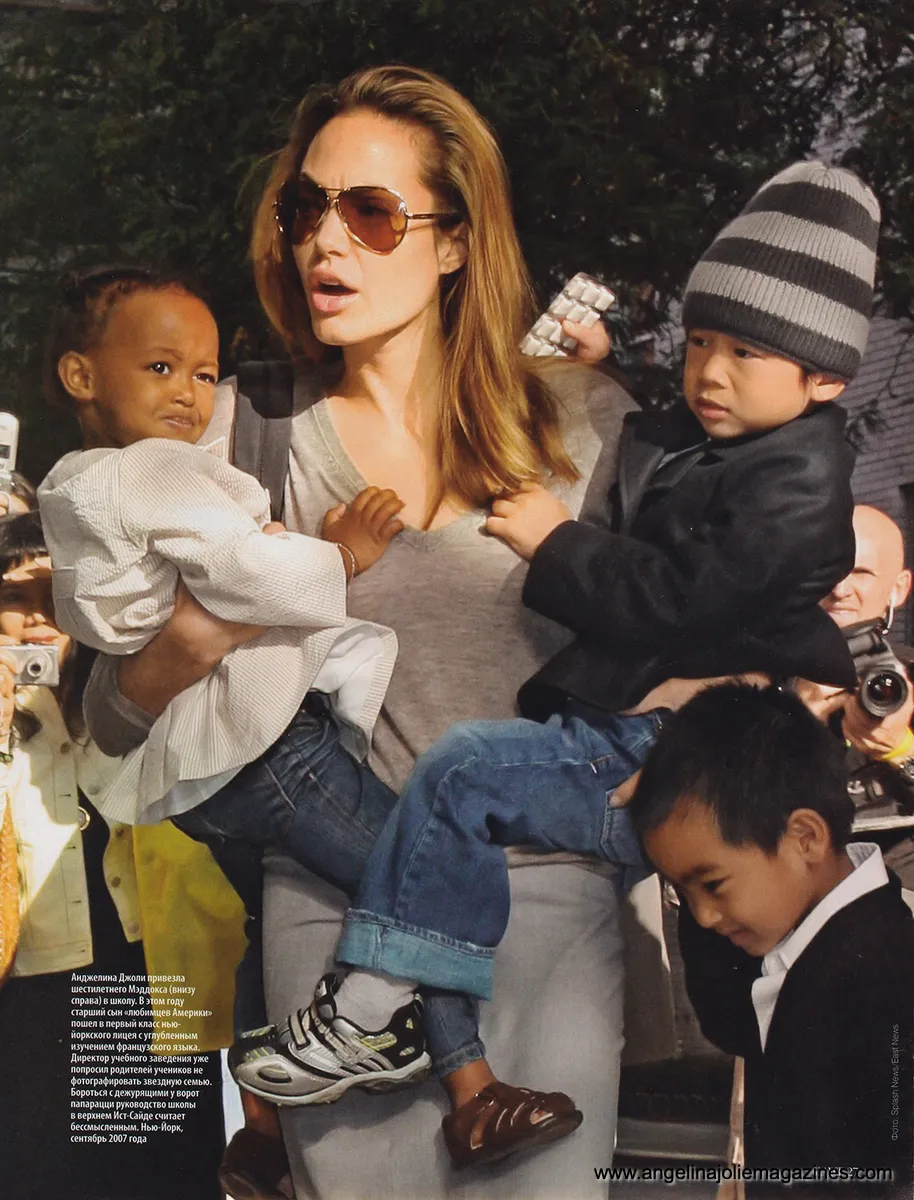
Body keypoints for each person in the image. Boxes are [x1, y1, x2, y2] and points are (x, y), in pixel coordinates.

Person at [80, 65, 642, 1200]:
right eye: (306, 209)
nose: (324, 241)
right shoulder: (238, 433)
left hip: (548, 906)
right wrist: (210, 626)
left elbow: (673, 645)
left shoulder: (588, 423)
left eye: (371, 212)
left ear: (454, 241)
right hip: (336, 927)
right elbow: (111, 719)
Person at [233, 160, 877, 1112]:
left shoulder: (799, 485)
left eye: (744, 352)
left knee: (465, 772)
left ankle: (372, 1006)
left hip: (666, 745)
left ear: (823, 378)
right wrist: (594, 376)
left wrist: (554, 540)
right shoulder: (736, 443)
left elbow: (683, 601)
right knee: (478, 790)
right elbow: (662, 461)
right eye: (701, 340)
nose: (709, 371)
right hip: (649, 744)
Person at [0, 511, 225, 1200]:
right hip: (34, 994)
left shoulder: (131, 692)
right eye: (14, 598)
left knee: (166, 1176)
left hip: (148, 982)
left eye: (56, 596)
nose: (38, 618)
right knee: (42, 1177)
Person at [629, 682, 914, 1193]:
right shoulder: (801, 943)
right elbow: (731, 1023)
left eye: (712, 884)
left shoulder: (886, 973)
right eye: (681, 891)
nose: (704, 916)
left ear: (805, 837)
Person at [797, 504, 914, 830]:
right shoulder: (755, 682)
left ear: (898, 589)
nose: (840, 589)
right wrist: (792, 722)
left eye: (860, 573)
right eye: (827, 570)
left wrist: (901, 750)